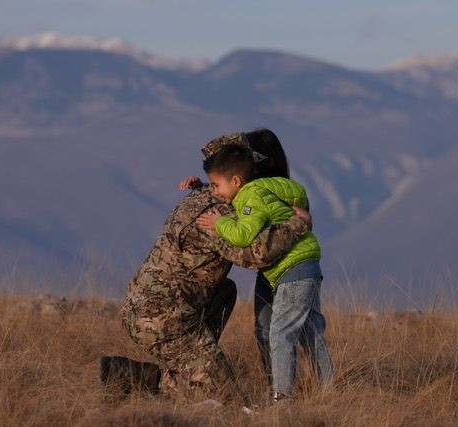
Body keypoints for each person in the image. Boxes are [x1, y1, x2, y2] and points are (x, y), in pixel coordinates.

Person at [120, 133, 312, 405]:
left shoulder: (208, 197)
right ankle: (143, 377)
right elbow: (257, 254)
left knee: (225, 290)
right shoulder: (218, 212)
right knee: (228, 400)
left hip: (159, 307)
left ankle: (169, 367)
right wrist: (296, 224)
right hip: (160, 316)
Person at [195, 142, 333, 401]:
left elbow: (244, 235)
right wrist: (196, 186)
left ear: (236, 181)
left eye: (216, 185)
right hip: (306, 264)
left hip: (292, 270)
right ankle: (330, 390)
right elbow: (294, 198)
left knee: (280, 333)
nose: (215, 192)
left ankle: (281, 398)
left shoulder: (250, 197)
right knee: (311, 332)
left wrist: (219, 222)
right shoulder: (264, 190)